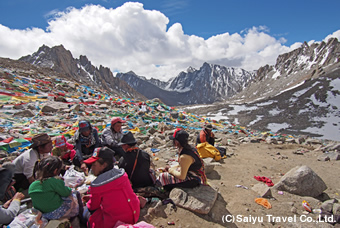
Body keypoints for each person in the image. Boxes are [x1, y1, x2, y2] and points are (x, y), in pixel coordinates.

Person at [82, 147, 140, 228]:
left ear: (104, 165)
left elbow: (92, 207)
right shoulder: (122, 174)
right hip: (134, 214)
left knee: (85, 212)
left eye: (94, 165)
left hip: (116, 221)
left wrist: (90, 200)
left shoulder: (97, 185)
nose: (92, 168)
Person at [28, 156, 79, 220]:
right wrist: (69, 188)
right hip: (56, 213)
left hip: (42, 213)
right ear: (55, 171)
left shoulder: (32, 185)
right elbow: (66, 192)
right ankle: (78, 214)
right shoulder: (54, 181)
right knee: (73, 193)